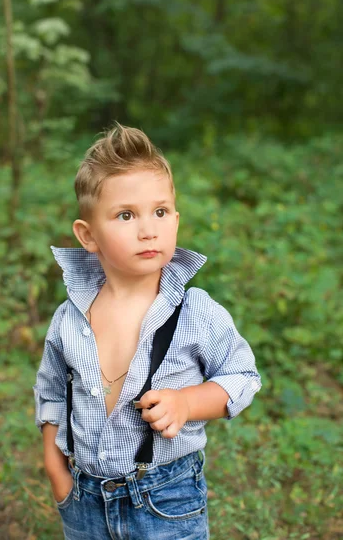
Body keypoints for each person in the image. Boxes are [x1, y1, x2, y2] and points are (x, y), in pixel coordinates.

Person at [33, 124, 261, 540]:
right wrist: (54, 466)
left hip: (166, 497)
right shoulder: (69, 318)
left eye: (159, 212)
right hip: (83, 497)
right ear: (88, 235)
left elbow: (243, 377)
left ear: (175, 219)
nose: (147, 229)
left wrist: (188, 402)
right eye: (125, 215)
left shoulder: (195, 312)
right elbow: (51, 391)